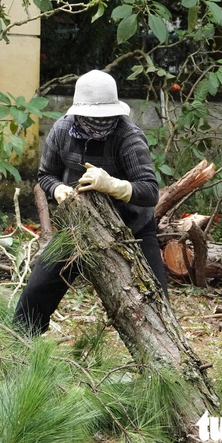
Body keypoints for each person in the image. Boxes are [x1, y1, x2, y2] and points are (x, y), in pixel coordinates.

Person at [13, 69, 168, 335]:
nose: (100, 123)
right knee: (36, 293)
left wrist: (114, 185)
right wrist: (59, 189)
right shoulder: (62, 130)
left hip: (132, 230)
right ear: (78, 112)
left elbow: (150, 191)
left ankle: (165, 366)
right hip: (78, 229)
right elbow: (44, 175)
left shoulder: (128, 136)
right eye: (94, 118)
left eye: (106, 117)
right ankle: (21, 348)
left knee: (156, 302)